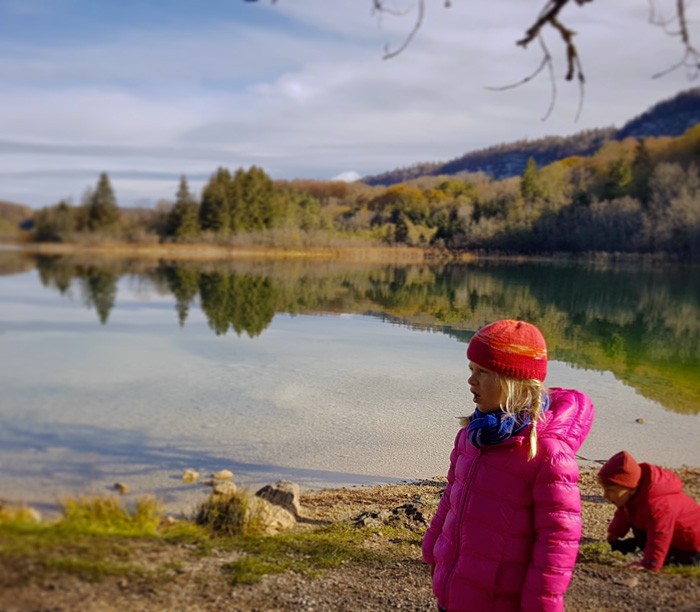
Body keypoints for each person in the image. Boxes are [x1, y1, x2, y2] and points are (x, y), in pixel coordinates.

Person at [422, 319, 595, 612]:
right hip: (455, 590)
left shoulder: (546, 454)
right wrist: (433, 545)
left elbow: (557, 544)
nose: (471, 381)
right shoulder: (470, 436)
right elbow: (451, 498)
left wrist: (542, 605)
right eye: (471, 370)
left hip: (499, 601)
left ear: (515, 383)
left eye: (483, 372)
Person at [598, 450, 700, 572]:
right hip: (672, 537)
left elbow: (660, 534)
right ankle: (643, 548)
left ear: (630, 489)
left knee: (676, 560)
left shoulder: (658, 504)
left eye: (610, 490)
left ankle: (662, 557)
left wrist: (650, 563)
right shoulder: (635, 493)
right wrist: (616, 531)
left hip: (692, 545)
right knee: (640, 530)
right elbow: (624, 512)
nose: (605, 495)